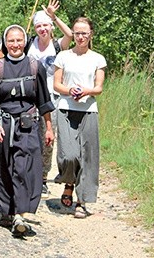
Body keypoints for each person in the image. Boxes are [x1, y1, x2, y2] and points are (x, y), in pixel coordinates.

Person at [0, 24, 54, 237]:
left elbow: (44, 100)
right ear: (5, 42)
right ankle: (5, 211)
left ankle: (20, 214)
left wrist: (49, 127)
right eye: (11, 40)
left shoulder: (35, 66)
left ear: (25, 42)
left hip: (28, 125)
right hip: (1, 125)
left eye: (19, 40)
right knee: (2, 168)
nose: (15, 44)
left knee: (23, 166)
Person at [53, 17, 106, 219]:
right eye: (77, 33)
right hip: (66, 108)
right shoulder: (64, 56)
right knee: (69, 154)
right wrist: (70, 90)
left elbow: (99, 88)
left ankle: (82, 201)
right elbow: (56, 85)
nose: (81, 37)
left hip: (88, 109)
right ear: (73, 34)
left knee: (88, 157)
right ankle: (68, 182)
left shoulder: (98, 59)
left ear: (91, 34)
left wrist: (86, 91)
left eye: (84, 33)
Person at [26, 0, 73, 196]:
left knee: (47, 138)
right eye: (39, 25)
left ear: (51, 26)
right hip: (29, 97)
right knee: (27, 136)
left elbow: (70, 35)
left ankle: (43, 177)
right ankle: (28, 174)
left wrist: (54, 16)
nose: (42, 29)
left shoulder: (57, 45)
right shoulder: (29, 43)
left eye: (46, 25)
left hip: (51, 99)